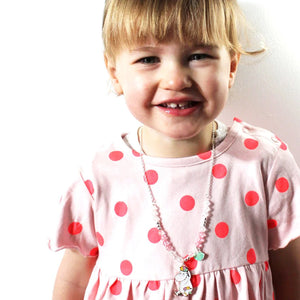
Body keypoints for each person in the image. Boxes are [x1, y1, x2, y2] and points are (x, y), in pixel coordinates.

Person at [49, 0, 300, 299]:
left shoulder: (264, 162)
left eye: (198, 55)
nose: (175, 80)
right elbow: (74, 282)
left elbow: (290, 274)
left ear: (230, 67)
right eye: (148, 59)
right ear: (115, 74)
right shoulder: (98, 175)